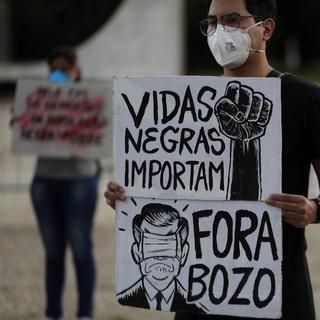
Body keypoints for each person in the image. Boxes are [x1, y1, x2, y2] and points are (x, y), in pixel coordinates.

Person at [105, 0, 320, 319]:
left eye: (232, 20)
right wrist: (130, 197)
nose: (220, 31)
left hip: (277, 291)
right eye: (212, 22)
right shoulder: (185, 104)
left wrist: (313, 210)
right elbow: (171, 184)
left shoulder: (305, 100)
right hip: (201, 294)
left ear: (266, 28)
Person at [29, 47, 98, 320]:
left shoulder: (91, 101)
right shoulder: (37, 101)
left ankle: (84, 314)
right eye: (55, 68)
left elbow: (100, 138)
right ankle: (53, 313)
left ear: (76, 70)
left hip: (79, 179)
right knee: (53, 251)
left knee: (81, 249)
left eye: (65, 68)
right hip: (45, 180)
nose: (59, 73)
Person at [117, 203, 203, 313]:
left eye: (168, 245)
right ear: (136, 252)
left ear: (183, 253)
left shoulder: (195, 305)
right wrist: (122, 203)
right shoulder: (127, 298)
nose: (160, 257)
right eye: (151, 245)